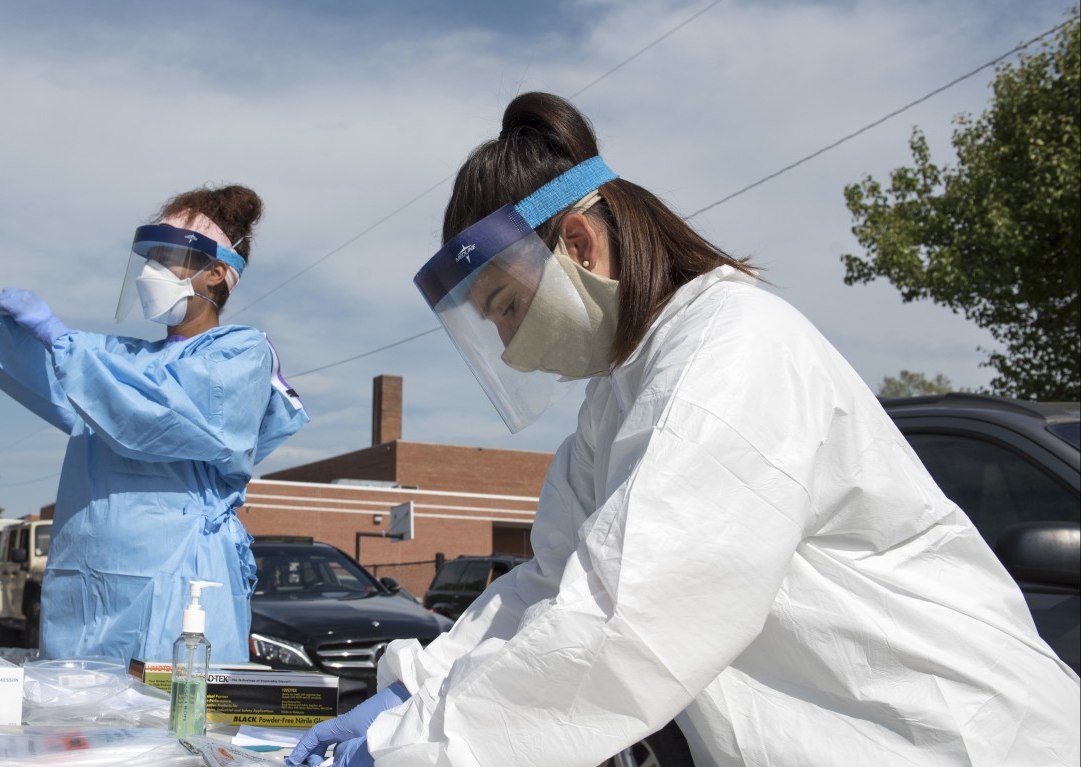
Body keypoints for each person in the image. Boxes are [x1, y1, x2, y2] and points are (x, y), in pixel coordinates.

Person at [287, 93, 1079, 767]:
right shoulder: (615, 407)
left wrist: (417, 746)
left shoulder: (734, 352)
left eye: (505, 306)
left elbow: (627, 616)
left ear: (580, 245)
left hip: (967, 742)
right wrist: (413, 689)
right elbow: (546, 590)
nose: (504, 342)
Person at [0, 184, 308, 664]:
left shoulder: (239, 354)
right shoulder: (119, 362)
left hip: (179, 594)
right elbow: (31, 351)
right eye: (151, 257)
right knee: (75, 723)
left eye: (169, 257)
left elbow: (156, 413)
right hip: (86, 594)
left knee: (166, 732)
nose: (152, 271)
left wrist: (59, 337)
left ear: (218, 274)